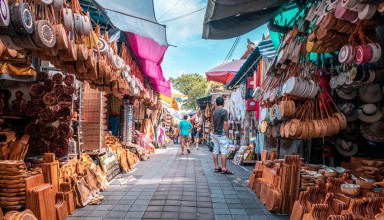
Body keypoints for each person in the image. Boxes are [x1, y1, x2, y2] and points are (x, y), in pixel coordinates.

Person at [211, 97, 233, 174]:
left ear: (216, 103)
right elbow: (225, 124)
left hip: (215, 134)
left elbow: (212, 124)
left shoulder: (214, 112)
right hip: (221, 134)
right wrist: (227, 134)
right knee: (224, 151)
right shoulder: (224, 111)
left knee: (215, 149)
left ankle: (217, 167)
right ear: (223, 103)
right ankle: (224, 168)